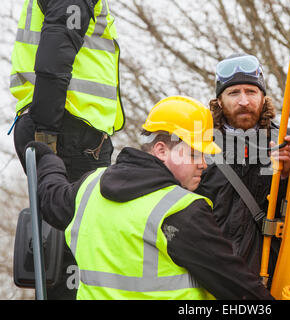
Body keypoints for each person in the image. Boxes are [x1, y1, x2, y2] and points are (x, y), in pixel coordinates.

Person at [26, 96, 273, 300]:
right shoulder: (181, 211)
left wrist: (46, 159)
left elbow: (51, 197)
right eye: (195, 154)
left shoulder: (90, 187)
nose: (203, 165)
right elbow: (241, 290)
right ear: (161, 150)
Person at [10, 0, 124, 299]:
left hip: (62, 127)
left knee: (63, 238)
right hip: (67, 129)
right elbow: (55, 57)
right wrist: (47, 136)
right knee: (76, 239)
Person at [195, 53, 290, 284]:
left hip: (269, 275)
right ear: (219, 100)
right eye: (233, 93)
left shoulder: (286, 140)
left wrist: (288, 175)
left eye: (251, 92)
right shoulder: (200, 143)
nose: (244, 101)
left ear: (263, 97)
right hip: (210, 274)